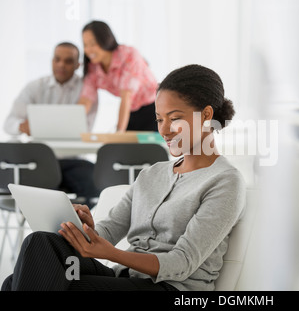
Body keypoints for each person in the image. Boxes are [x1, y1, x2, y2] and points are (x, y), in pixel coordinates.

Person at [1, 64, 246, 291]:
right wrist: (87, 229)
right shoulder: (153, 173)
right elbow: (108, 231)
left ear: (206, 115)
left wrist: (111, 254)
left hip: (171, 288)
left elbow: (182, 262)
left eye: (174, 118)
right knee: (39, 245)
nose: (164, 130)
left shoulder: (225, 181)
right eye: (160, 119)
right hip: (126, 279)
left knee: (34, 282)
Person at [3, 42, 100, 208]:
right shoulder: (34, 87)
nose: (61, 64)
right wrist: (21, 126)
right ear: (52, 61)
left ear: (78, 65)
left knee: (95, 180)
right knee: (43, 192)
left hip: (72, 162)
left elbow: (85, 129)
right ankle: (50, 230)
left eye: (68, 61)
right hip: (39, 161)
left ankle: (74, 227)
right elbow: (8, 124)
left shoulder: (87, 90)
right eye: (57, 59)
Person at [78, 20, 159, 132]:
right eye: (85, 45)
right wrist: (70, 126)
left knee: (149, 147)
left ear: (105, 40)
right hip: (131, 110)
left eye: (93, 44)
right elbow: (86, 100)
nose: (88, 49)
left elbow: (126, 96)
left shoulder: (128, 54)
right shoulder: (93, 67)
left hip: (153, 108)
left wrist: (119, 132)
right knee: (126, 147)